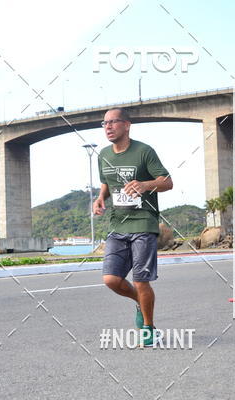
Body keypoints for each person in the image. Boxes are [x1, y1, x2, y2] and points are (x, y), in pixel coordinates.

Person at [93, 107, 173, 346]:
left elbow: (167, 182)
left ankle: (149, 329)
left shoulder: (144, 151)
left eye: (113, 122)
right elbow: (107, 183)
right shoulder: (103, 155)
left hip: (144, 223)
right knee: (111, 280)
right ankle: (140, 301)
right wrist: (100, 198)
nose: (108, 127)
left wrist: (145, 185)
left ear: (126, 125)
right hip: (118, 224)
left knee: (140, 280)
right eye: (105, 123)